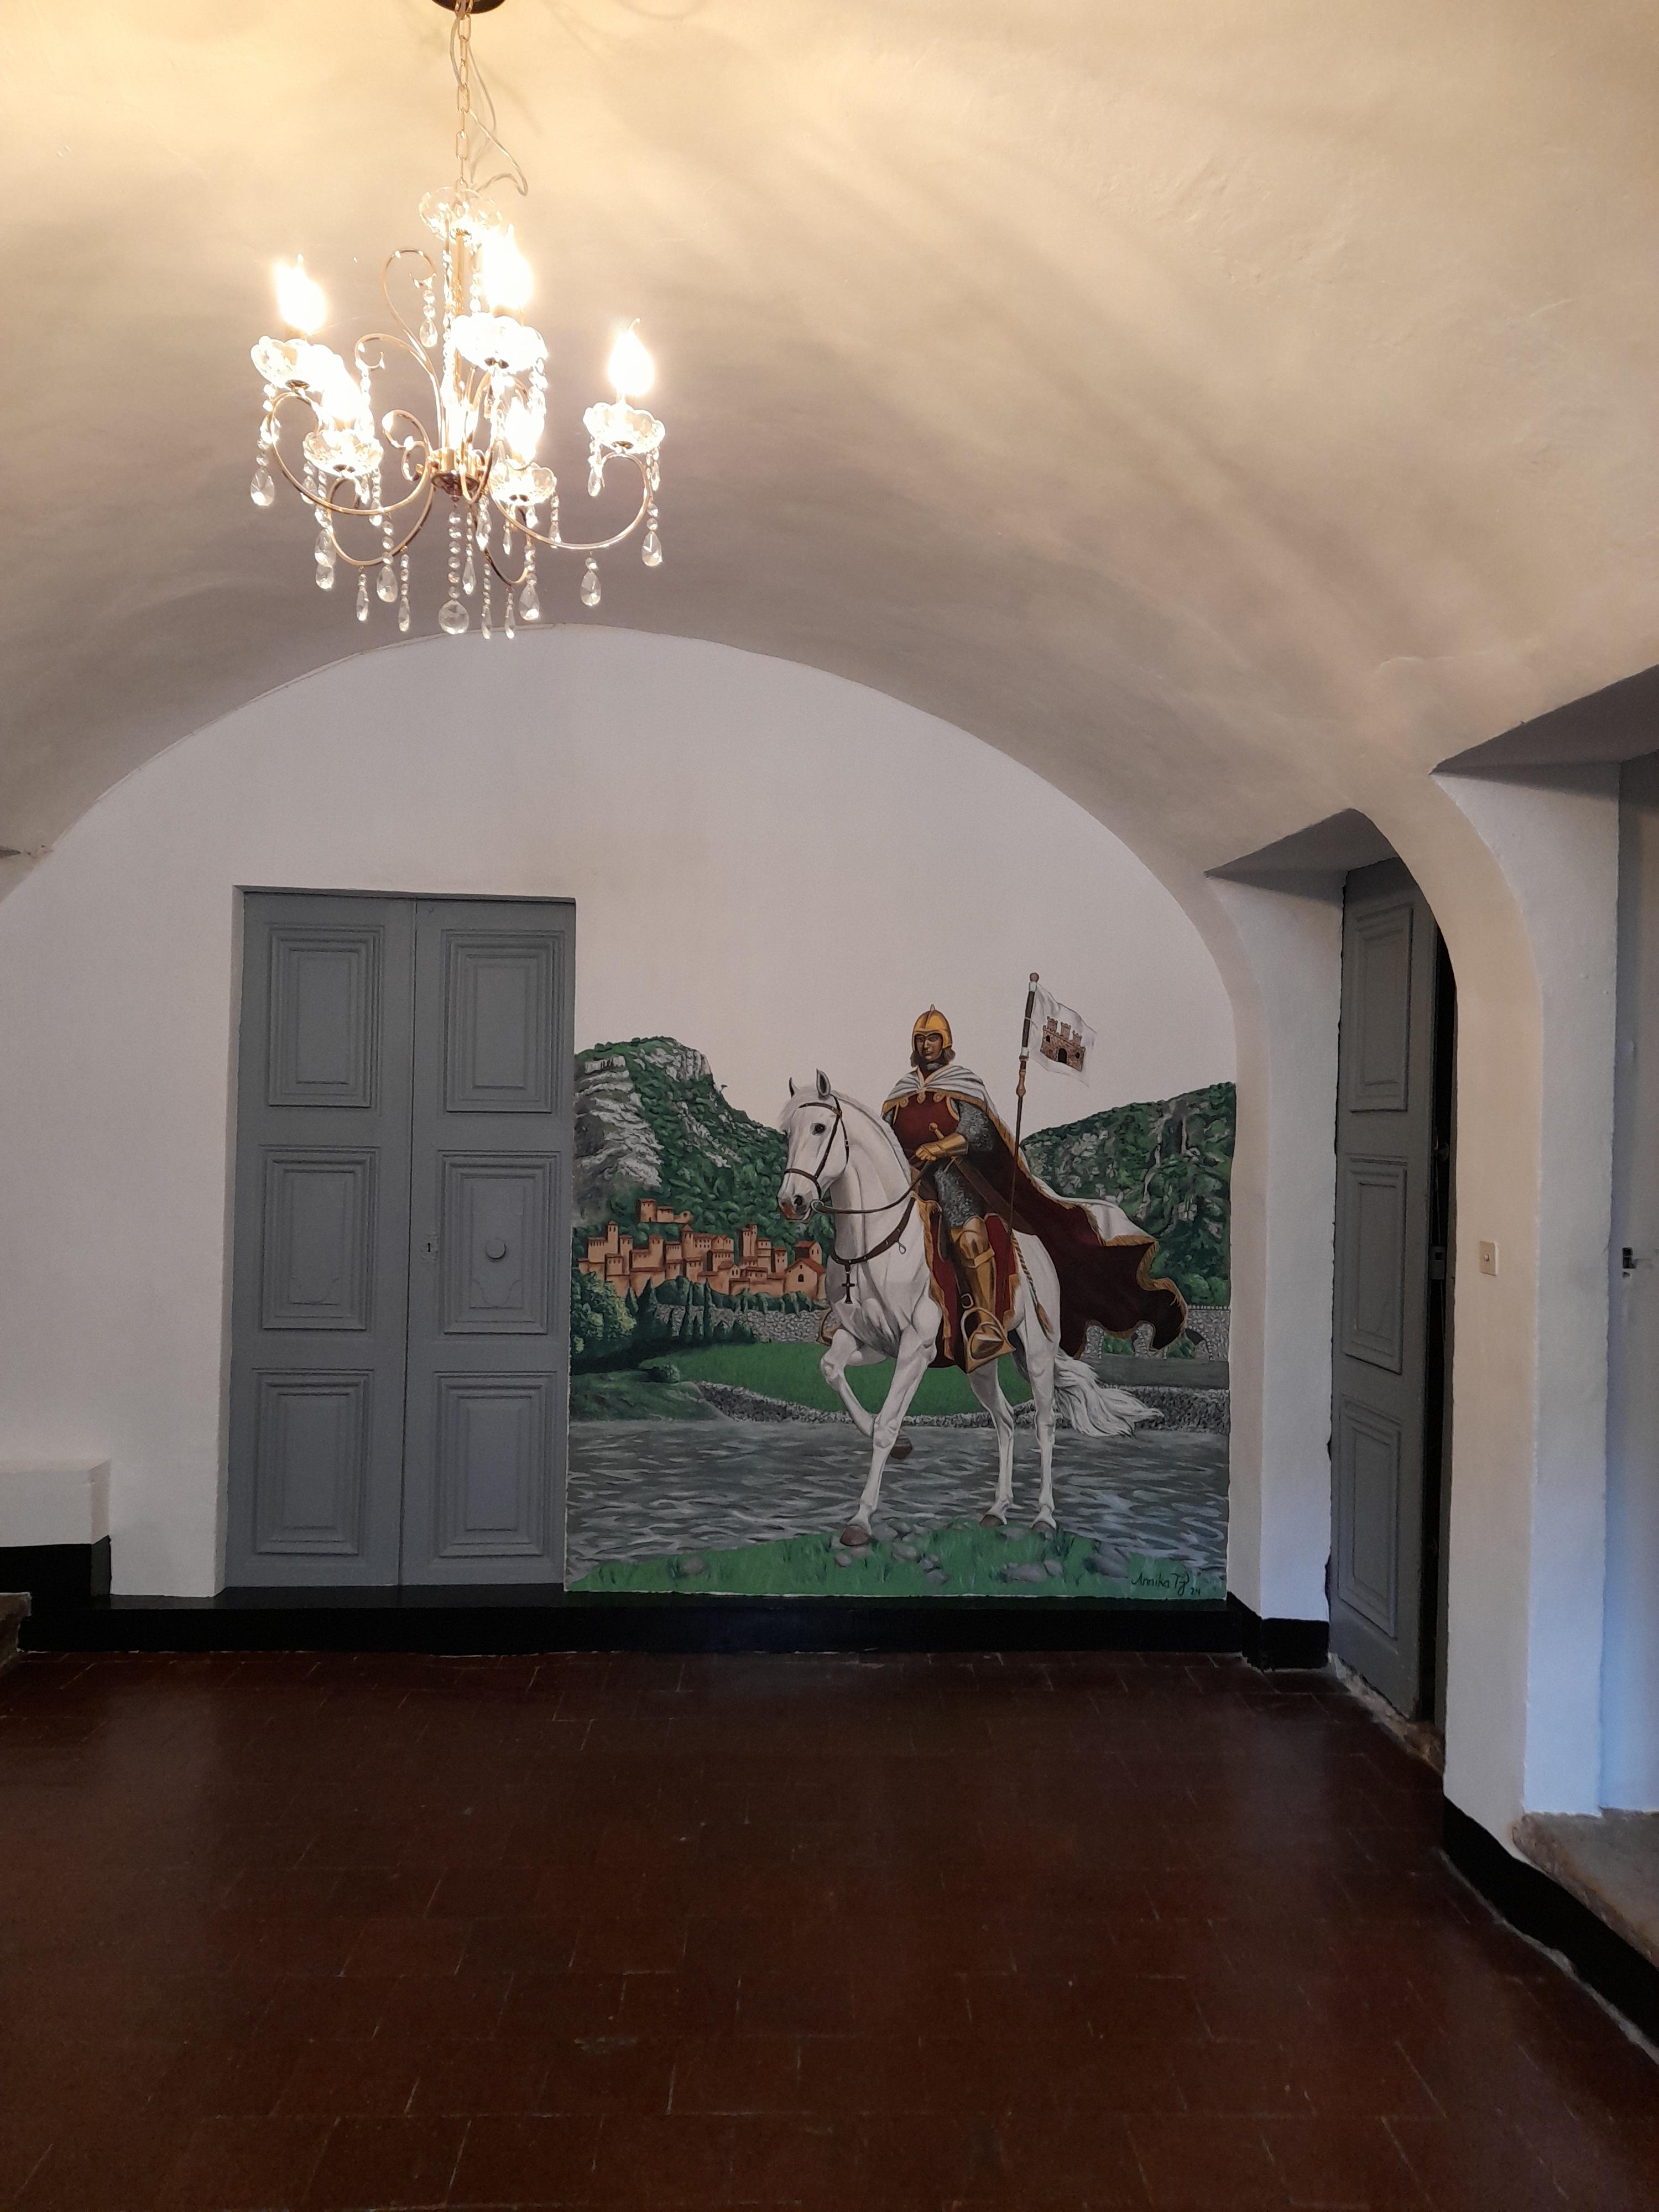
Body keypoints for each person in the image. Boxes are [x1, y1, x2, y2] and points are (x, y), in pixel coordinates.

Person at [883, 1005, 1187, 1373]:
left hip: (956, 1179)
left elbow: (979, 1133)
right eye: (920, 1039)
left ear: (945, 1043)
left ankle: (986, 1324)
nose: (926, 1045)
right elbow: (884, 1140)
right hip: (910, 1184)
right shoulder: (900, 1095)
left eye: (933, 1038)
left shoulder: (961, 1083)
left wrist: (941, 1147)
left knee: (970, 1238)